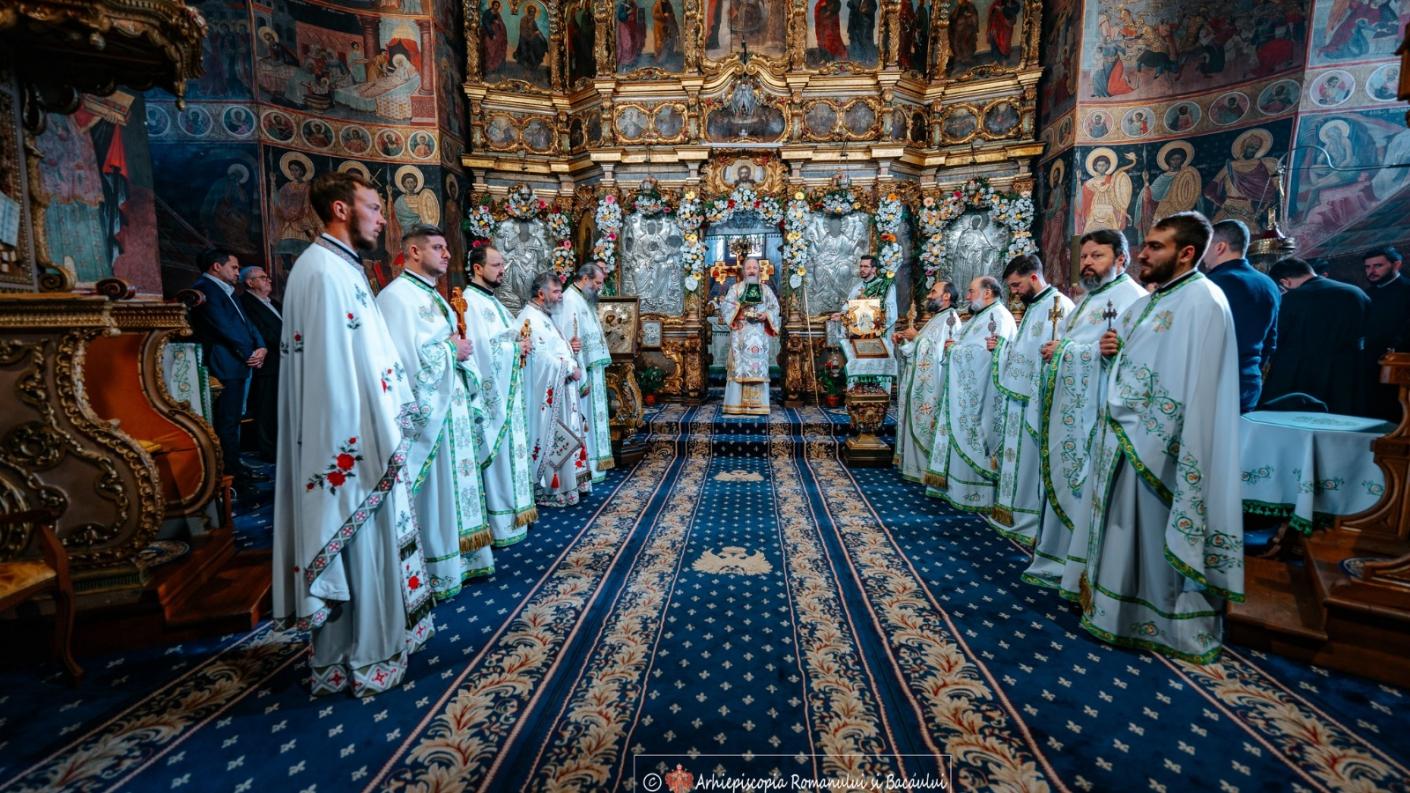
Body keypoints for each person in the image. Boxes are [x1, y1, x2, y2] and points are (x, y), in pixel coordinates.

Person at [272, 170, 435, 697]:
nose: (384, 219)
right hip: (351, 447)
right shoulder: (325, 273)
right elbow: (332, 377)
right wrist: (371, 438)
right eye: (374, 208)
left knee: (370, 552)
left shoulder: (339, 267)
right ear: (341, 209)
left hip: (363, 436)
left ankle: (356, 655)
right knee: (361, 551)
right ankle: (362, 656)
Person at [1081, 211, 1243, 663]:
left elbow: (1196, 383)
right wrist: (1110, 353)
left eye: (1155, 247)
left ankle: (1160, 620)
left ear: (1186, 253)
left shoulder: (1203, 301)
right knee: (1124, 530)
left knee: (1152, 533)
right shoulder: (1153, 301)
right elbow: (1134, 357)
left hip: (1164, 442)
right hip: (1129, 433)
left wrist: (1150, 420)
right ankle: (1118, 614)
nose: (1143, 254)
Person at [1022, 229, 1145, 594]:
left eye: (1097, 256)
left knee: (1085, 486)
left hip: (1098, 415)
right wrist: (1062, 349)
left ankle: (1079, 567)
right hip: (1073, 410)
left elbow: (1127, 358)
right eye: (1086, 256)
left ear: (1121, 259)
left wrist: (1063, 351)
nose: (1088, 263)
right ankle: (1059, 557)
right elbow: (1082, 344)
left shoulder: (1132, 299)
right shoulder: (1092, 299)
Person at [376, 225, 495, 600]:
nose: (447, 254)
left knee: (454, 486)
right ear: (413, 252)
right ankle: (436, 566)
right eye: (438, 247)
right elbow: (402, 362)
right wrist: (451, 351)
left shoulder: (434, 296)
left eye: (446, 247)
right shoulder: (396, 299)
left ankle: (461, 560)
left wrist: (456, 352)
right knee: (435, 491)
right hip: (431, 413)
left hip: (451, 407)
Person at [989, 254, 1073, 545]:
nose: (1014, 292)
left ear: (1034, 277)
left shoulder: (1059, 306)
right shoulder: (1035, 306)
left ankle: (1030, 521)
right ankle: (1012, 513)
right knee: (1018, 460)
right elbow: (1023, 349)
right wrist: (1002, 348)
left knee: (1030, 462)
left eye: (1016, 285)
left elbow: (1061, 351)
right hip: (1020, 396)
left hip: (1037, 400)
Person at [463, 244, 537, 543]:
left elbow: (506, 338)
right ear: (477, 268)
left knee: (512, 456)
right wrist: (515, 349)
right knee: (500, 460)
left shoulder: (493, 301)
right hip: (496, 399)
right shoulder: (471, 302)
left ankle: (517, 516)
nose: (502, 270)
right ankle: (502, 523)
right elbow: (481, 354)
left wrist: (520, 345)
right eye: (496, 265)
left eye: (502, 264)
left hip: (510, 393)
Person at [924, 275, 1016, 512]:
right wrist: (954, 348)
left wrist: (955, 351)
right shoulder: (981, 316)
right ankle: (952, 488)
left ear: (988, 292)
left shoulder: (999, 317)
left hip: (981, 396)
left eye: (971, 291)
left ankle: (974, 493)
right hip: (964, 389)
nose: (966, 296)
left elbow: (986, 356)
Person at [189, 248, 267, 487]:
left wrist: (261, 346)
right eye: (233, 267)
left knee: (233, 420)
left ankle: (236, 465)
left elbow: (247, 324)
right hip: (225, 363)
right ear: (216, 266)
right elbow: (225, 327)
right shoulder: (204, 288)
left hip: (239, 362)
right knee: (227, 421)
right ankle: (232, 473)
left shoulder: (229, 291)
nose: (237, 272)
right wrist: (249, 353)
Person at [517, 272, 590, 506]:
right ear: (541, 294)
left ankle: (570, 485)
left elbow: (554, 348)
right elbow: (539, 358)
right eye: (556, 292)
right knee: (553, 437)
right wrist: (569, 368)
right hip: (548, 394)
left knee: (567, 435)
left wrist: (570, 347)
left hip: (562, 389)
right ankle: (552, 489)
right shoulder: (530, 318)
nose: (560, 296)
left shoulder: (545, 316)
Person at [1263, 257, 1370, 416]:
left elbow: (1277, 337)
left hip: (1302, 381)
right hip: (1348, 375)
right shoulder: (1357, 293)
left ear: (1285, 282)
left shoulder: (1292, 299)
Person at [1202, 220, 1279, 412]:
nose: (1202, 255)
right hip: (1249, 381)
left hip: (1213, 382)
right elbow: (1271, 341)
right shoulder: (1268, 284)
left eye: (1205, 246)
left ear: (1220, 247)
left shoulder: (1211, 285)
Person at [892, 279, 963, 483]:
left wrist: (917, 337)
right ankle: (913, 468)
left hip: (932, 387)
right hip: (918, 383)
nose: (929, 295)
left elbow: (939, 354)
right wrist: (905, 340)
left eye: (933, 292)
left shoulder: (950, 320)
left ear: (946, 296)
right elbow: (921, 347)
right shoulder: (936, 319)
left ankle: (924, 469)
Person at [554, 263, 614, 482]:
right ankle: (588, 466)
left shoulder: (583, 298)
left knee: (593, 420)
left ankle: (596, 465)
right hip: (583, 373)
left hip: (592, 369)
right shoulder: (570, 300)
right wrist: (580, 374)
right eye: (597, 283)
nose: (599, 287)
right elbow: (571, 340)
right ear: (585, 279)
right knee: (585, 420)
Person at [722, 257, 781, 415]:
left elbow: (775, 308)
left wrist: (766, 315)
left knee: (757, 368)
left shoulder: (765, 290)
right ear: (743, 271)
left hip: (759, 337)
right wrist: (739, 309)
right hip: (741, 334)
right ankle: (736, 405)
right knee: (739, 368)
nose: (752, 271)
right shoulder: (735, 289)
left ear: (759, 270)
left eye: (755, 267)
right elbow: (726, 307)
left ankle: (758, 406)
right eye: (748, 268)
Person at [831, 254, 898, 389]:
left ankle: (879, 398)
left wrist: (872, 328)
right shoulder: (856, 288)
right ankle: (857, 397)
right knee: (859, 371)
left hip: (879, 338)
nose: (862, 269)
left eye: (866, 266)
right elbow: (849, 308)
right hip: (858, 339)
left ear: (874, 269)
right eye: (861, 266)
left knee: (878, 376)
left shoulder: (886, 287)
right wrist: (842, 315)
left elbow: (891, 314)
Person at [238, 266, 281, 462]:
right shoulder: (245, 303)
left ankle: (283, 447)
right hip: (267, 364)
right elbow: (260, 331)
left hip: (284, 361)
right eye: (263, 277)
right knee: (267, 409)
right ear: (250, 282)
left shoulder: (274, 303)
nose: (268, 280)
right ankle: (270, 451)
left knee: (280, 408)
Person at [1363, 247, 1410, 421]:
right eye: (1367, 267)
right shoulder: (1368, 293)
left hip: (1400, 362)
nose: (1371, 271)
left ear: (1396, 265)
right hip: (1371, 362)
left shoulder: (1407, 290)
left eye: (1378, 266)